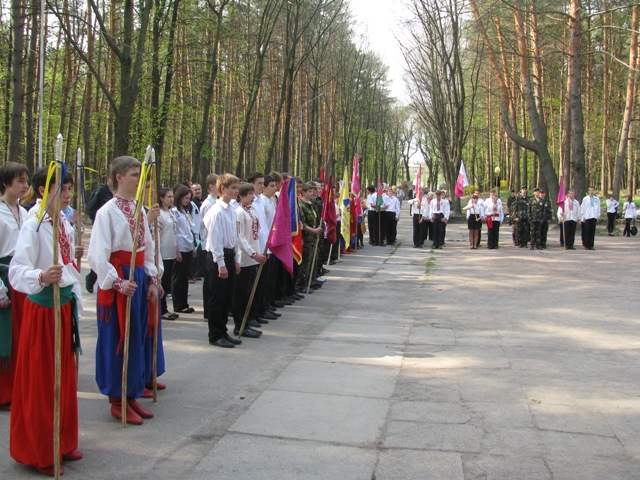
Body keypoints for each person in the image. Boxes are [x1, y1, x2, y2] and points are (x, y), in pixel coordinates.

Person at [9, 167, 84, 476]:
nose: (67, 194)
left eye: (68, 189)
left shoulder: (63, 222)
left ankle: (62, 441)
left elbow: (67, 267)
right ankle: (40, 450)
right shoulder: (34, 225)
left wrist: (71, 264)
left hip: (63, 307)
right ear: (43, 190)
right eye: (61, 189)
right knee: (42, 382)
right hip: (43, 312)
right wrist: (41, 275)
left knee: (63, 377)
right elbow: (16, 270)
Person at [88, 156, 162, 425]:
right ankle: (116, 399)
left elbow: (148, 246)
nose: (139, 180)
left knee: (136, 337)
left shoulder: (139, 209)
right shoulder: (106, 212)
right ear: (119, 177)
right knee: (117, 339)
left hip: (139, 277)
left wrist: (153, 279)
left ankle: (130, 394)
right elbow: (97, 255)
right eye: (134, 174)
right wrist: (117, 282)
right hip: (120, 281)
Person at [0, 162, 29, 410]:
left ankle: (19, 388)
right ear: (6, 182)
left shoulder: (25, 212)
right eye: (20, 180)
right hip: (3, 278)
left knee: (21, 337)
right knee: (5, 338)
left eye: (26, 181)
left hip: (21, 279)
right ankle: (4, 393)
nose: (25, 185)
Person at [202, 174, 242, 348]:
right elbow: (216, 239)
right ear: (222, 189)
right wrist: (221, 263)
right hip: (218, 257)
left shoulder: (231, 209)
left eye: (236, 187)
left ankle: (223, 331)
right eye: (232, 188)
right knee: (217, 298)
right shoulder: (216, 211)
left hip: (229, 254)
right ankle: (215, 334)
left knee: (227, 298)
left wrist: (236, 258)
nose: (236, 191)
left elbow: (234, 236)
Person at [232, 183, 266, 338]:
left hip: (254, 256)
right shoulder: (239, 212)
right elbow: (240, 237)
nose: (253, 196)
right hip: (245, 257)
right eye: (250, 194)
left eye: (253, 194)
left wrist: (259, 251)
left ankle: (248, 320)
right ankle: (240, 325)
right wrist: (253, 253)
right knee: (242, 292)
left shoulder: (251, 210)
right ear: (242, 196)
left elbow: (256, 234)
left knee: (250, 290)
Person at [85, 179, 114, 293]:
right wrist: (97, 222)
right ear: (108, 179)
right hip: (101, 227)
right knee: (101, 256)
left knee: (109, 256)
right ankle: (91, 279)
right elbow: (91, 208)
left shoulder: (115, 193)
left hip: (112, 229)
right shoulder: (101, 191)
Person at [171, 184, 196, 314]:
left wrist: (193, 246)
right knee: (178, 277)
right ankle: (178, 304)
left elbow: (190, 229)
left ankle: (184, 302)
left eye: (189, 198)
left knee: (184, 277)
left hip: (188, 245)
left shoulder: (185, 211)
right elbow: (174, 231)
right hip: (180, 246)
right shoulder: (174, 211)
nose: (188, 201)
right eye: (186, 198)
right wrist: (176, 250)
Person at [157, 188, 179, 320]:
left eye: (172, 196)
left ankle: (164, 307)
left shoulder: (171, 212)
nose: (171, 199)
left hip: (171, 252)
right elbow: (158, 235)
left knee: (167, 282)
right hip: (163, 252)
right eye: (168, 196)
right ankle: (161, 308)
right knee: (163, 282)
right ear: (161, 198)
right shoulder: (159, 214)